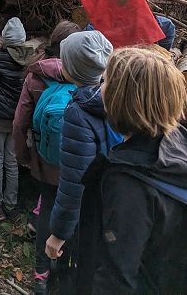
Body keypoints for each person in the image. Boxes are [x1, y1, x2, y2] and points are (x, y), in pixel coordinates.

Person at [69, 46, 187, 293]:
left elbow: (117, 277)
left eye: (106, 82)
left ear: (122, 98)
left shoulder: (129, 184)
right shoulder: (183, 145)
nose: (100, 87)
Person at [13, 20, 80, 294]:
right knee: (75, 209)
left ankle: (41, 273)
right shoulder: (87, 75)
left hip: (46, 158)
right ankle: (67, 270)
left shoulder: (36, 75)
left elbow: (19, 123)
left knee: (48, 207)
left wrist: (24, 156)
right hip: (78, 160)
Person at [45, 31, 115, 262]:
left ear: (71, 69)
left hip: (88, 211)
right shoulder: (114, 98)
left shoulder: (78, 111)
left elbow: (74, 180)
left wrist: (58, 233)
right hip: (113, 200)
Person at [0, 17, 41, 223]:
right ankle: (11, 204)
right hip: (18, 120)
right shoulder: (32, 60)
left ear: (5, 39)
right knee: (12, 161)